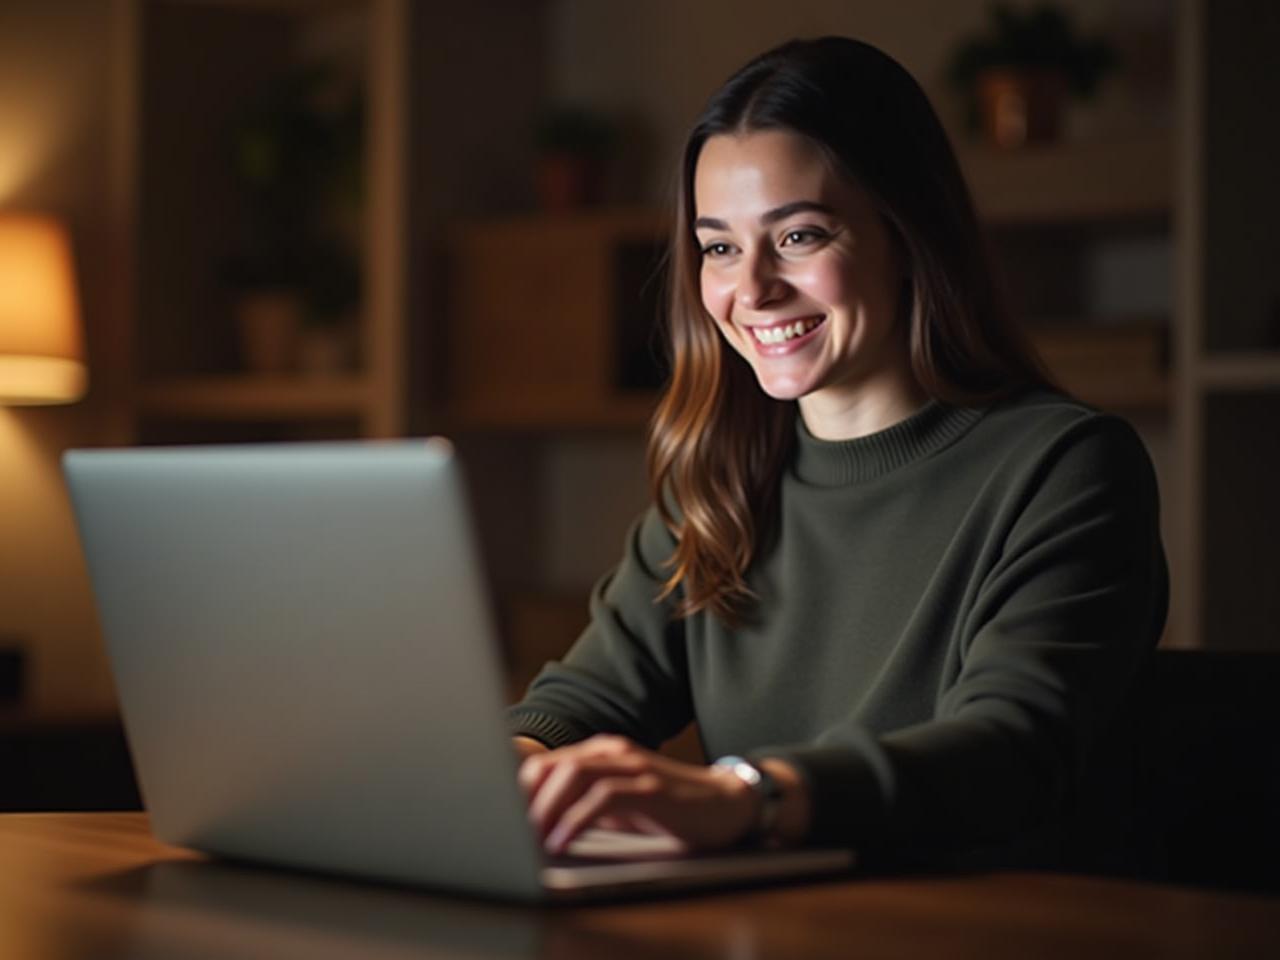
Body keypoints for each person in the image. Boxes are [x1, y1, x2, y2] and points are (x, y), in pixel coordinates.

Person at [507, 36, 1168, 870]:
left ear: (907, 235)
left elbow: (1012, 749)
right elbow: (578, 702)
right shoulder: (719, 482)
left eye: (799, 237)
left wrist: (746, 796)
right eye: (718, 247)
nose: (749, 291)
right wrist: (511, 773)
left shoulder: (1065, 468)